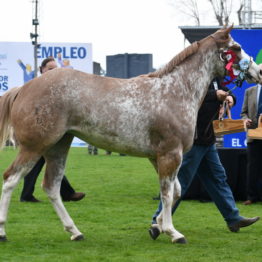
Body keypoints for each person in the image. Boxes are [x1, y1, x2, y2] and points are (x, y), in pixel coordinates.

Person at [149, 77, 260, 240]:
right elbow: (191, 97)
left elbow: (226, 92)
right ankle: (157, 222)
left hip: (208, 139)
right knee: (182, 182)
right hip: (193, 139)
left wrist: (230, 98)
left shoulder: (214, 78)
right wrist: (215, 95)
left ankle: (233, 218)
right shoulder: (194, 78)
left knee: (217, 179)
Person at [20, 57, 85, 202]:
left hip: (51, 131)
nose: (54, 72)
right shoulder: (36, 87)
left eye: (55, 69)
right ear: (42, 70)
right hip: (40, 131)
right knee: (51, 161)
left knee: (41, 162)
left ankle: (27, 195)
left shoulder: (55, 88)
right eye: (50, 69)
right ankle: (67, 193)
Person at [241, 64, 262, 205]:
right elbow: (243, 113)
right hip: (253, 136)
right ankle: (251, 196)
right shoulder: (249, 91)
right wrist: (245, 120)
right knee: (252, 167)